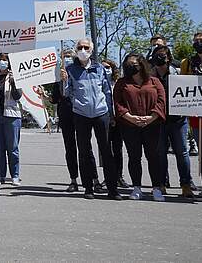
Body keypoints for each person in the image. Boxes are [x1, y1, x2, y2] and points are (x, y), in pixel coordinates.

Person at [61, 38, 122, 200]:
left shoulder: (100, 68)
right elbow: (66, 93)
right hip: (81, 114)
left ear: (91, 50)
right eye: (80, 47)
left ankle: (112, 189)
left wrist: (111, 114)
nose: (82, 50)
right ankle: (88, 187)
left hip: (101, 114)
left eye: (86, 47)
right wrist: (64, 80)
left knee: (106, 152)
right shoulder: (70, 69)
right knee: (84, 152)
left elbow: (107, 92)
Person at [39, 50, 99, 193]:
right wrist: (44, 95)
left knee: (85, 147)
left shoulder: (79, 74)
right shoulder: (59, 78)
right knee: (70, 147)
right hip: (65, 114)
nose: (66, 60)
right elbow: (54, 99)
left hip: (81, 113)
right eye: (64, 57)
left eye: (69, 57)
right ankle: (73, 180)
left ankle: (94, 179)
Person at [114, 53, 166, 201]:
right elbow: (118, 103)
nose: (130, 67)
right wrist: (130, 117)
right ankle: (136, 187)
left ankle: (156, 188)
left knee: (153, 157)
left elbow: (162, 101)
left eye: (133, 65)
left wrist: (151, 117)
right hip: (129, 125)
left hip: (152, 125)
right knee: (134, 157)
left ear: (141, 65)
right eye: (127, 65)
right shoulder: (121, 83)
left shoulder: (154, 81)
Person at [151, 45, 193, 198]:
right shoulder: (150, 75)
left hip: (178, 120)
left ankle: (186, 185)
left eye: (162, 55)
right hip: (158, 120)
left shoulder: (179, 72)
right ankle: (162, 184)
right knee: (160, 153)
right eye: (157, 55)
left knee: (182, 153)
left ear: (168, 57)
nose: (159, 58)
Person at [181, 31, 202, 198]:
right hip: (198, 115)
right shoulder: (187, 63)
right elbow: (182, 84)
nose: (199, 43)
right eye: (196, 40)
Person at [0, 53, 22, 186]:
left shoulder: (15, 76)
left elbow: (18, 96)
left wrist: (13, 81)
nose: (2, 62)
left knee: (12, 148)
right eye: (0, 59)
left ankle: (15, 175)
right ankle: (1, 175)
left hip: (12, 116)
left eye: (5, 60)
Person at [102, 58, 129, 189]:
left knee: (118, 149)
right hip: (105, 118)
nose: (105, 70)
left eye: (108, 67)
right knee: (106, 150)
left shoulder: (119, 82)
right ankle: (108, 177)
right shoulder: (99, 82)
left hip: (119, 120)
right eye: (103, 68)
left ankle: (119, 176)